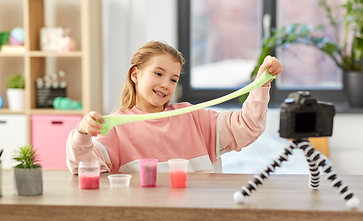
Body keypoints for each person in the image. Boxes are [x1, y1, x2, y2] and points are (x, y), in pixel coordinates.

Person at [66, 40, 283, 174]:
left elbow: (247, 126)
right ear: (135, 74)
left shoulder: (193, 117)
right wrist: (82, 134)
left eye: (173, 79)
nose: (165, 84)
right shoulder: (115, 127)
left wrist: (261, 84)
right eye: (158, 73)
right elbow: (84, 168)